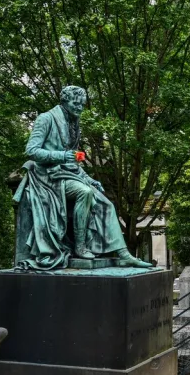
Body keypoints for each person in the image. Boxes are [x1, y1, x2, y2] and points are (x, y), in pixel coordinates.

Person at [13, 85, 152, 270]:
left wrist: (90, 178)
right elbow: (31, 150)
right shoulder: (46, 118)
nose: (79, 107)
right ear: (64, 101)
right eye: (75, 103)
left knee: (106, 203)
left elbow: (73, 163)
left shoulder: (74, 123)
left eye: (82, 104)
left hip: (69, 174)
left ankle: (124, 254)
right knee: (85, 193)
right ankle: (80, 247)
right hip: (48, 177)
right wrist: (61, 155)